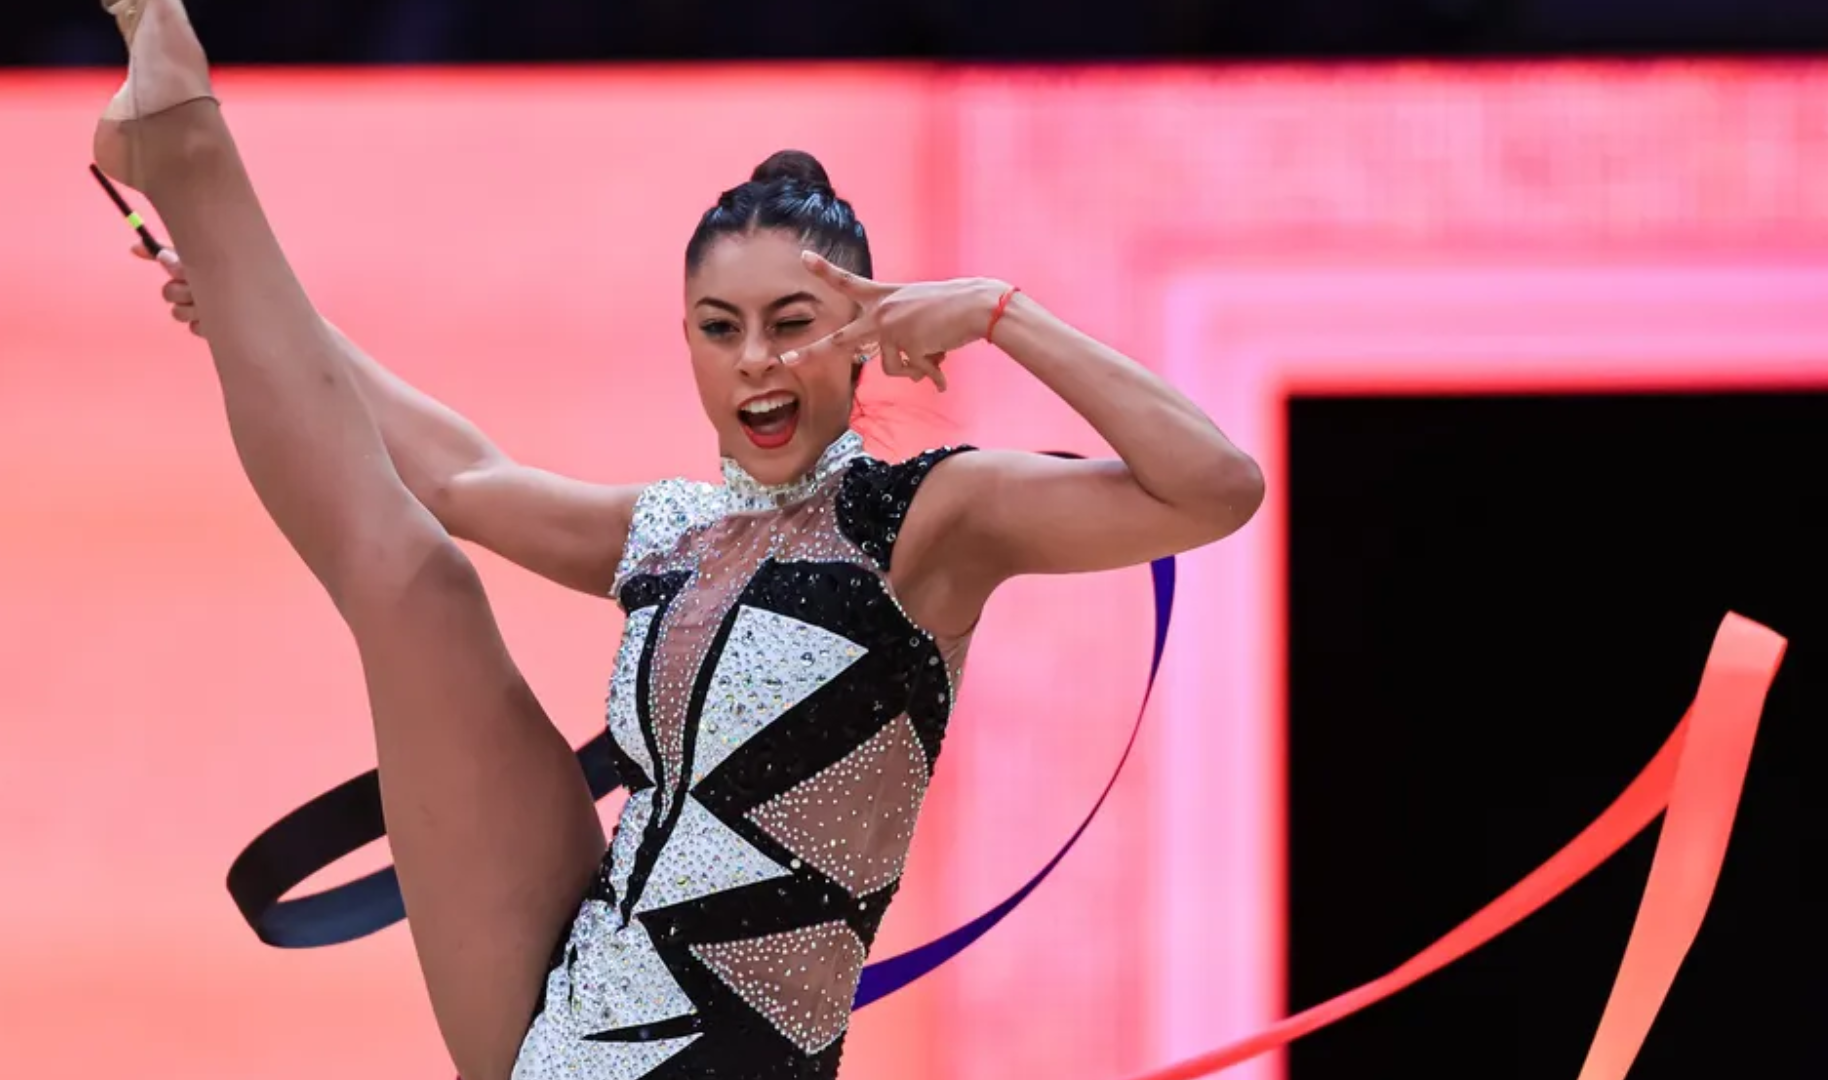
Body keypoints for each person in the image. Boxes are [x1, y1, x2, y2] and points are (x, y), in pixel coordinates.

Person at [92, 1, 1265, 1076]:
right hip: (568, 992)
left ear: (861, 336)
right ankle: (188, 136)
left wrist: (1003, 314)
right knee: (416, 579)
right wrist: (249, 310)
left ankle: (187, 142)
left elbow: (1214, 489)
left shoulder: (932, 522)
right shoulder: (667, 530)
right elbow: (457, 473)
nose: (755, 357)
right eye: (721, 327)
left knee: (414, 571)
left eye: (792, 323)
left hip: (726, 1054)